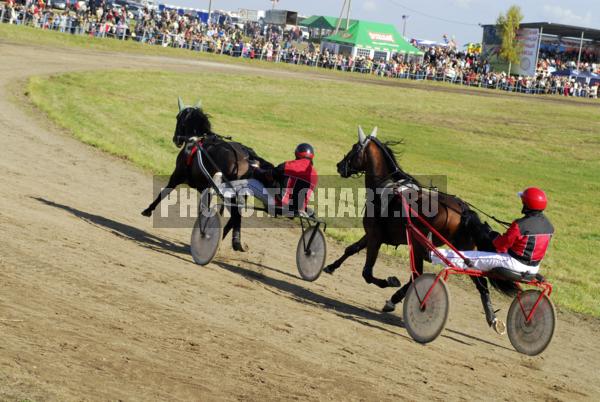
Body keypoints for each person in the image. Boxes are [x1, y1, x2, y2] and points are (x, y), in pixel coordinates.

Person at [430, 187, 554, 275]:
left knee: (467, 256)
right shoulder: (549, 226)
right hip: (534, 268)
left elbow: (500, 246)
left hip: (513, 264)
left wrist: (491, 235)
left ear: (526, 205)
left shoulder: (519, 225)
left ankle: (431, 254)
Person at [216, 143, 318, 216]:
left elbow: (267, 176)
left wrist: (256, 169)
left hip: (278, 205)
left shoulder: (288, 165)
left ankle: (218, 189)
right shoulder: (314, 175)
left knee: (248, 184)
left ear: (297, 154)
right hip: (297, 210)